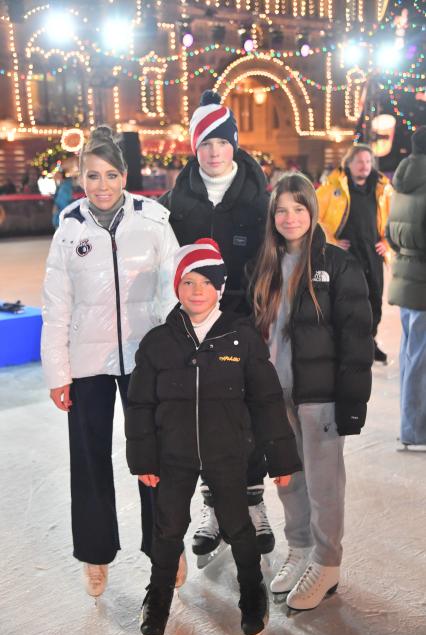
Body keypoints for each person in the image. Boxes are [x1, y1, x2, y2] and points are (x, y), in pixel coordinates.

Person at [125, 238, 302, 635]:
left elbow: (266, 401)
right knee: (167, 527)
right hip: (174, 455)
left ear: (220, 288)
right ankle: (158, 597)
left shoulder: (240, 338)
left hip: (227, 452)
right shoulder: (158, 343)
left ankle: (252, 590)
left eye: (206, 282)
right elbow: (139, 405)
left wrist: (282, 460)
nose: (197, 291)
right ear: (176, 288)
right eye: (188, 282)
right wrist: (144, 459)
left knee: (239, 525)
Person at [41, 125, 179, 599]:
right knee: (89, 460)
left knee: (153, 457)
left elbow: (172, 292)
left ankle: (165, 547)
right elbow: (56, 305)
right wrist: (59, 373)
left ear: (124, 176)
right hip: (87, 364)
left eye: (110, 175)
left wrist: (173, 358)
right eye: (92, 177)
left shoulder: (154, 220)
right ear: (81, 179)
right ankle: (95, 554)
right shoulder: (70, 228)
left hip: (146, 361)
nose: (101, 186)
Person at [158, 90, 274, 562]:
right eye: (204, 142)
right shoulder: (175, 201)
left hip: (248, 320)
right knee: (204, 414)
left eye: (221, 141)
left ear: (235, 144)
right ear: (194, 147)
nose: (214, 151)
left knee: (248, 414)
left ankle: (251, 501)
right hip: (197, 322)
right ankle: (212, 507)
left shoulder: (259, 198)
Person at [250, 172, 374, 611]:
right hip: (276, 392)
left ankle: (327, 563)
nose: (289, 217)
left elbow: (357, 337)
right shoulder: (263, 264)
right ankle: (300, 548)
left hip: (319, 395)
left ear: (312, 211)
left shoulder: (337, 265)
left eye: (298, 208)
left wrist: (352, 401)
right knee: (288, 479)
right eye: (281, 210)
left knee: (323, 485)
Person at [316, 143, 392, 363]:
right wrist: (332, 242)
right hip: (346, 257)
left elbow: (393, 220)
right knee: (347, 302)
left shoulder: (381, 189)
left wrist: (386, 243)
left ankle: (369, 341)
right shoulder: (333, 187)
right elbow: (314, 216)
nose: (364, 166)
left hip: (372, 254)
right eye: (359, 161)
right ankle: (346, 345)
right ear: (348, 164)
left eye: (368, 161)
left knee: (374, 300)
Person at [385, 126, 426, 447]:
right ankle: (416, 429)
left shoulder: (402, 181)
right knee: (420, 360)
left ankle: (412, 425)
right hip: (421, 278)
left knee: (412, 355)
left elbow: (390, 230)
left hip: (407, 276)